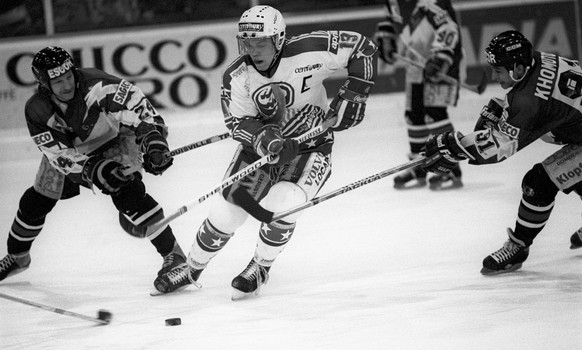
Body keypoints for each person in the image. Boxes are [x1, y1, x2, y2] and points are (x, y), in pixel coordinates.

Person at [154, 5, 378, 298]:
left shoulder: (311, 50)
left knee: (284, 203)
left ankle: (260, 266)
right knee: (226, 213)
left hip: (312, 146)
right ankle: (192, 267)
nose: (254, 49)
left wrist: (355, 93)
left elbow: (364, 47)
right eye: (248, 42)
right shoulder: (238, 76)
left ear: (279, 38)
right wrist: (267, 138)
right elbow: (237, 122)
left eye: (261, 41)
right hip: (260, 151)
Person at [0, 46, 186, 291]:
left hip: (115, 138)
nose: (67, 85)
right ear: (45, 84)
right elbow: (59, 155)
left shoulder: (99, 85)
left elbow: (142, 112)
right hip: (71, 153)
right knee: (36, 202)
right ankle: (17, 257)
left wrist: (153, 143)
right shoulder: (37, 110)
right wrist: (95, 169)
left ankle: (175, 258)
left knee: (129, 194)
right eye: (58, 81)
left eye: (69, 77)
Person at [421, 30, 582, 274]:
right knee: (570, 173)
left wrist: (457, 147)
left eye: (498, 70)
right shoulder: (537, 59)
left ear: (518, 68)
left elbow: (499, 147)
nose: (494, 75)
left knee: (538, 183)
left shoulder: (529, 103)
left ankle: (518, 247)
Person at [374, 0, 464, 190]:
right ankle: (419, 166)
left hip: (440, 63)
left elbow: (449, 28)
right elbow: (391, 19)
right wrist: (386, 38)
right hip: (416, 63)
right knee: (414, 116)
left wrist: (440, 58)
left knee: (434, 113)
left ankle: (450, 166)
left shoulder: (432, 2)